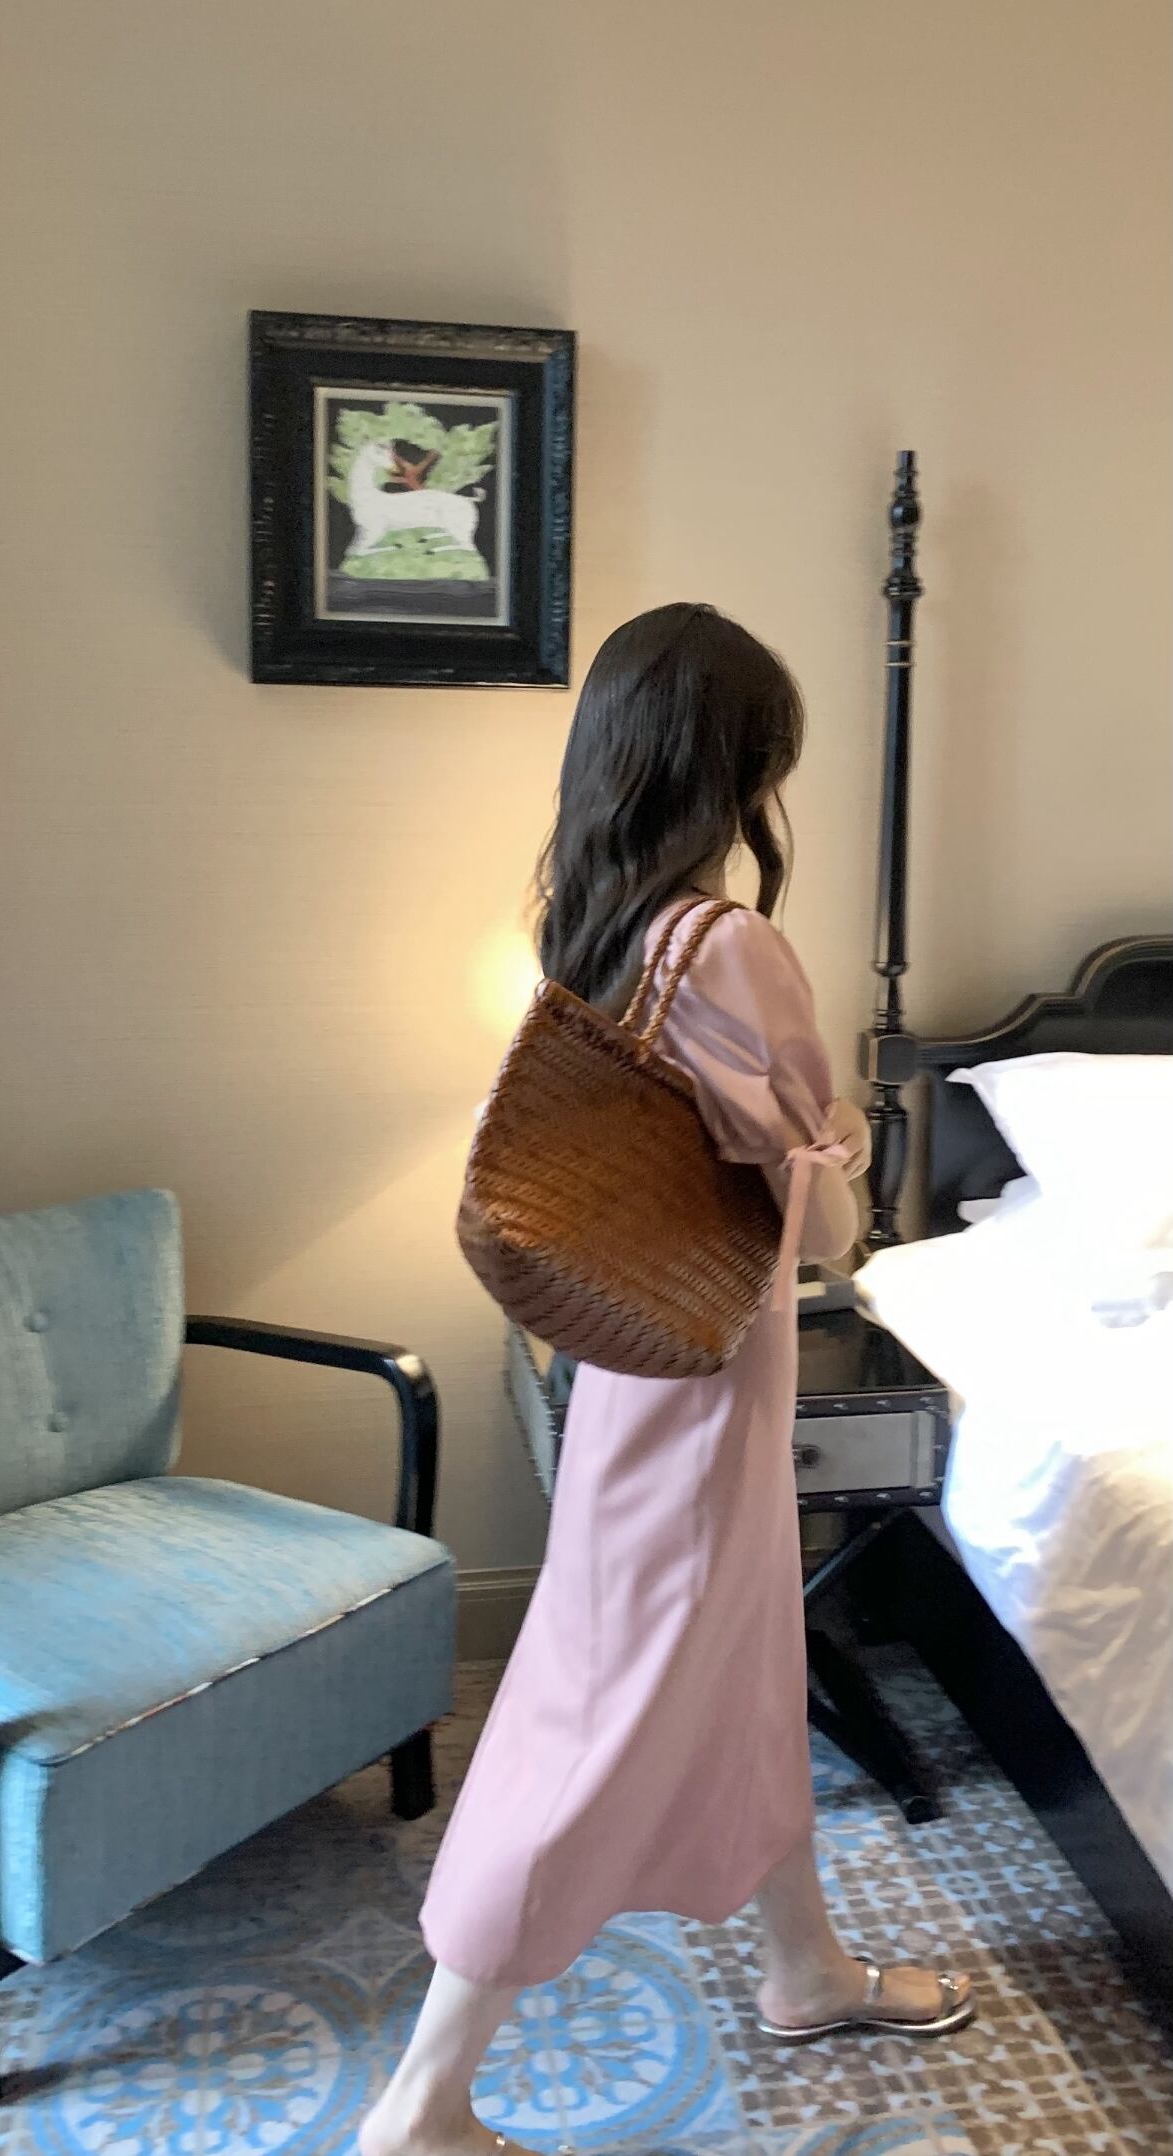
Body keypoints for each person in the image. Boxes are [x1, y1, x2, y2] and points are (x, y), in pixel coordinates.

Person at [363, 604, 972, 2156]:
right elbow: (822, 1226)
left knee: (742, 1674)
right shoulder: (730, 946)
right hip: (709, 1392)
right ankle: (422, 2103)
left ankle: (803, 1969)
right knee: (591, 1722)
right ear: (737, 767)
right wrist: (839, 1156)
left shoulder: (596, 933)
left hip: (647, 1372)